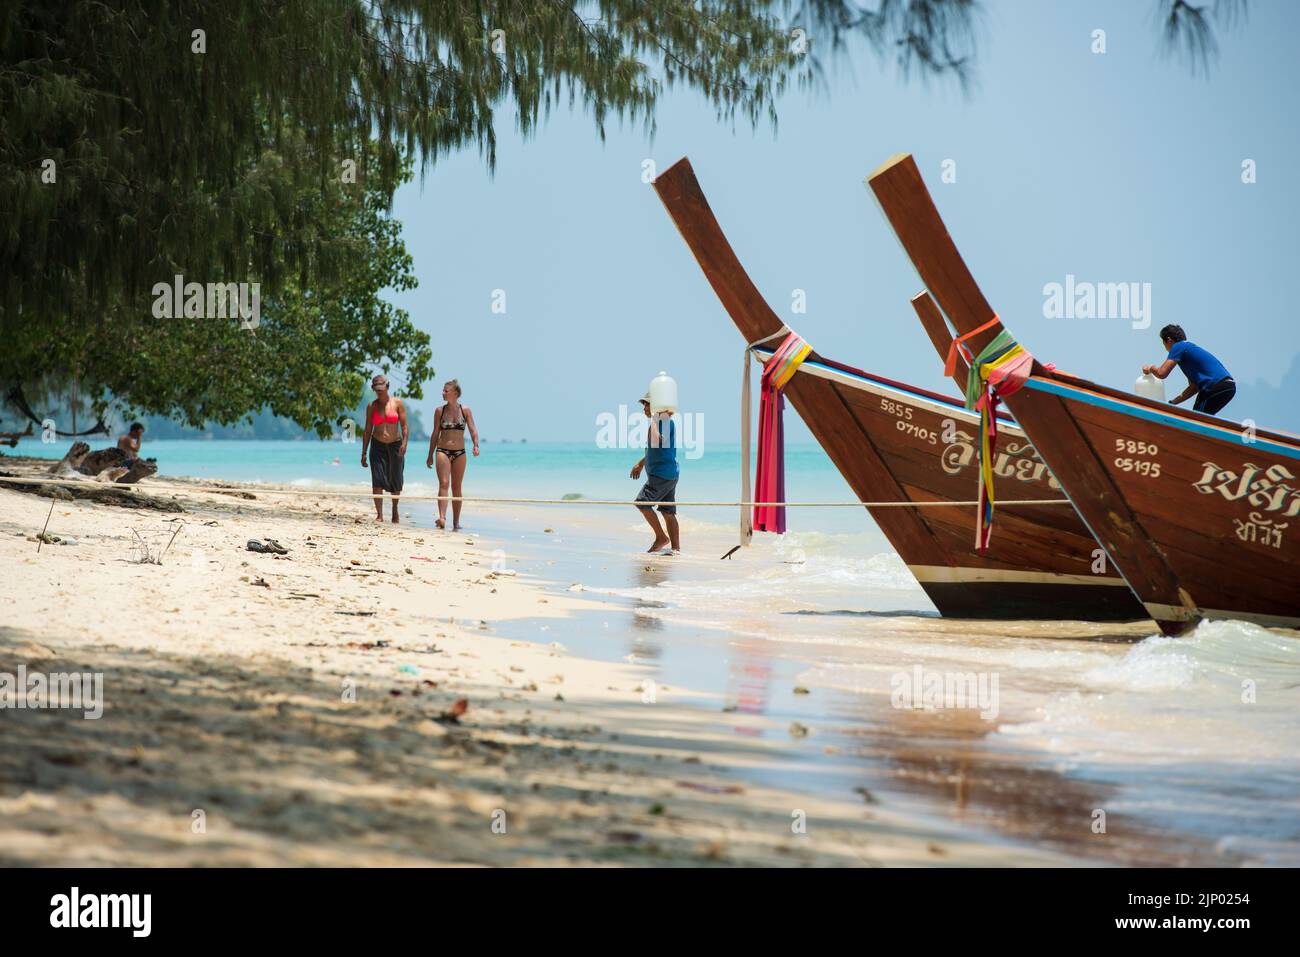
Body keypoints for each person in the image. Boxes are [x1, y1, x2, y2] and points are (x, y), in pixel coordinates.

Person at [1143, 324, 1235, 416]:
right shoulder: (1187, 350)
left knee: (1197, 418)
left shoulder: (1178, 347)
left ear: (1169, 340)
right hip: (1228, 387)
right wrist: (1172, 403)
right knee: (1202, 417)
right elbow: (1193, 388)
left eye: (1163, 343)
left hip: (1214, 386)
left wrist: (1150, 368)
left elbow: (1161, 373)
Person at [426, 379, 479, 530]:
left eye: (445, 391)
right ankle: (442, 517)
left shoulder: (465, 410)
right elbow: (435, 434)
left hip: (460, 453)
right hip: (442, 450)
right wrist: (430, 454)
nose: (443, 393)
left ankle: (456, 523)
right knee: (444, 483)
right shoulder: (439, 411)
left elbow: (473, 430)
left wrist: (476, 445)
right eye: (443, 390)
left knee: (457, 487)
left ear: (455, 393)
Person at [631, 392, 680, 555]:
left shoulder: (663, 421)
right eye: (644, 405)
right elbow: (655, 448)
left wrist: (653, 419)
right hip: (668, 473)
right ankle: (676, 550)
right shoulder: (660, 421)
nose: (644, 408)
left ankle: (661, 537)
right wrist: (641, 463)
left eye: (647, 404)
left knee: (641, 502)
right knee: (667, 511)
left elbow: (657, 440)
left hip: (661, 474)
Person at [361, 374, 408, 523]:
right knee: (377, 480)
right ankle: (380, 514)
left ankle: (395, 510)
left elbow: (405, 426)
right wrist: (363, 452)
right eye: (376, 389)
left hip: (395, 444)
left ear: (387, 386)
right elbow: (368, 430)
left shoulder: (397, 403)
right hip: (377, 444)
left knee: (396, 479)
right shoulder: (372, 406)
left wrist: (405, 443)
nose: (379, 392)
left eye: (381, 388)